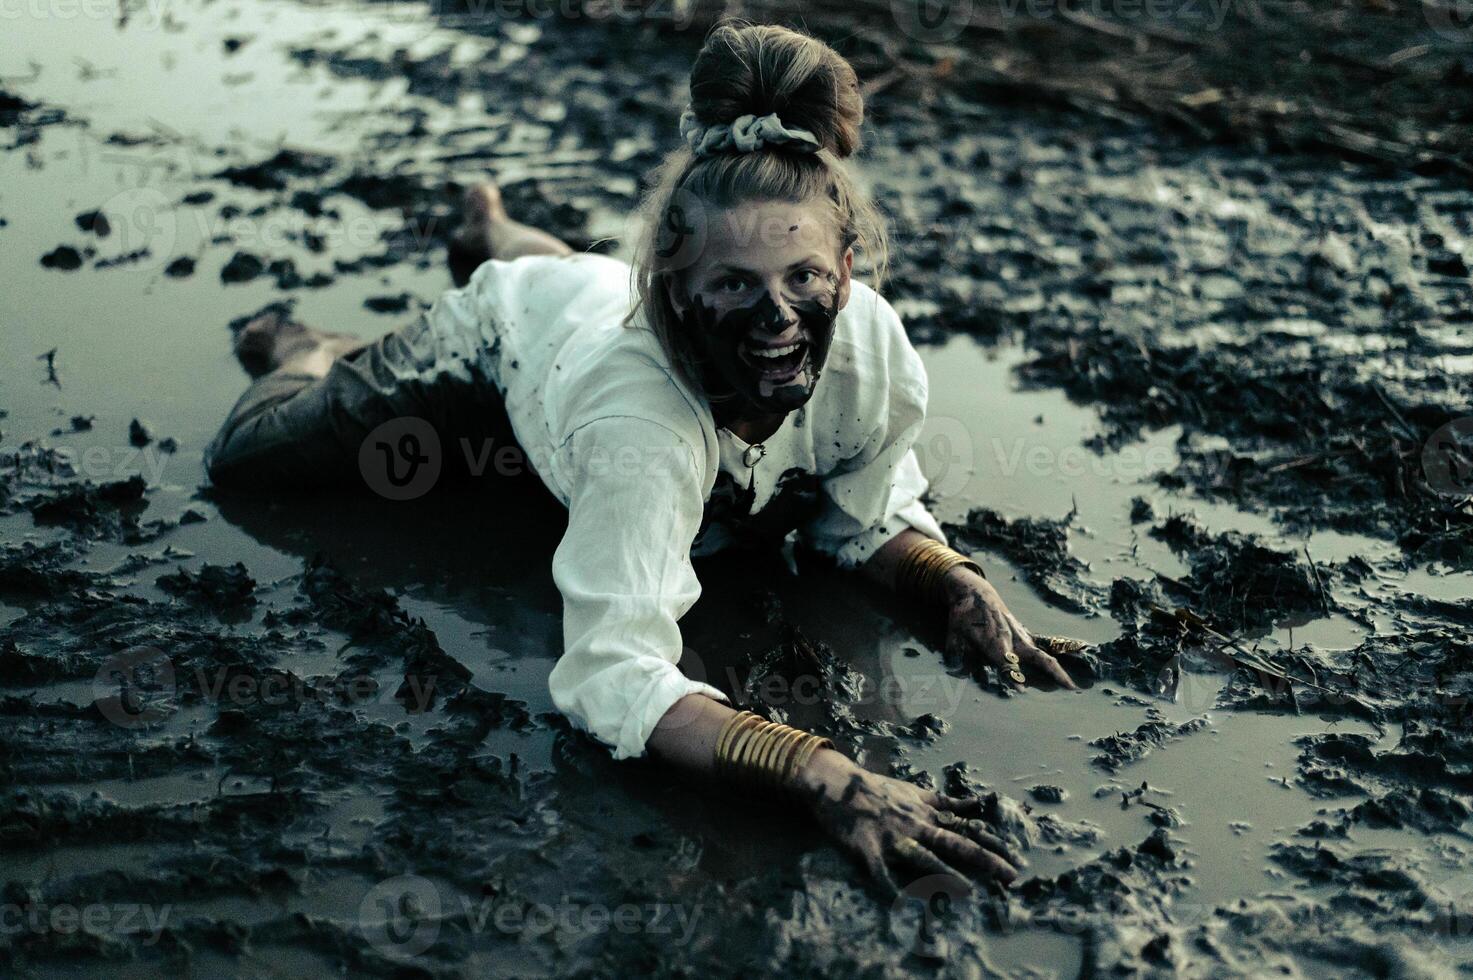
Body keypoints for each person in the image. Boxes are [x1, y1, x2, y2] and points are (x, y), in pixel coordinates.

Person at [206, 21, 1082, 892]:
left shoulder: (870, 349)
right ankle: (314, 351)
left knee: (580, 281)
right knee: (246, 460)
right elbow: (609, 671)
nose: (778, 316)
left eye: (802, 278)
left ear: (846, 272)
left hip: (583, 310)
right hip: (497, 347)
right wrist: (823, 774)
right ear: (677, 293)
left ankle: (498, 226)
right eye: (736, 286)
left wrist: (953, 582)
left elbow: (862, 509)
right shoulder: (643, 422)